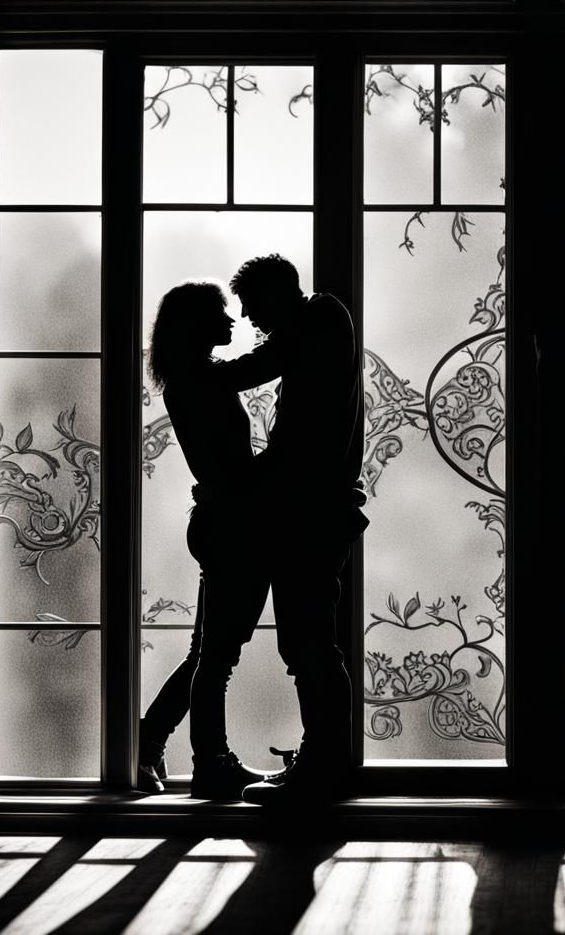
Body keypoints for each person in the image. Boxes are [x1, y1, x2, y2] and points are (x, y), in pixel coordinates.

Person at [203, 254, 368, 805]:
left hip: (312, 514)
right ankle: (323, 764)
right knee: (310, 643)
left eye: (252, 307)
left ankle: (322, 771)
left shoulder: (315, 320)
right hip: (316, 510)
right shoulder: (324, 322)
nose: (248, 319)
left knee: (309, 645)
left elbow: (253, 367)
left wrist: (189, 368)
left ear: (277, 295)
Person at [138, 281, 279, 800]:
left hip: (222, 522)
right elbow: (260, 368)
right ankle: (208, 763)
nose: (233, 321)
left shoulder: (190, 379)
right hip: (231, 527)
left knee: (210, 652)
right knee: (218, 655)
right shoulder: (202, 379)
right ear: (194, 325)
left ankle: (157, 741)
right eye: (221, 313)